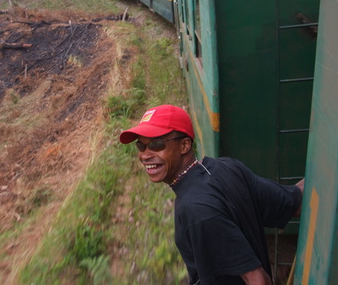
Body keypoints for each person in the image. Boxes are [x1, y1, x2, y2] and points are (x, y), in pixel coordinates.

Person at [119, 105, 304, 285]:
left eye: (156, 145)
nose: (145, 155)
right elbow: (295, 202)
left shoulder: (196, 210)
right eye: (141, 146)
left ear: (184, 145)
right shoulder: (227, 167)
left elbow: (257, 279)